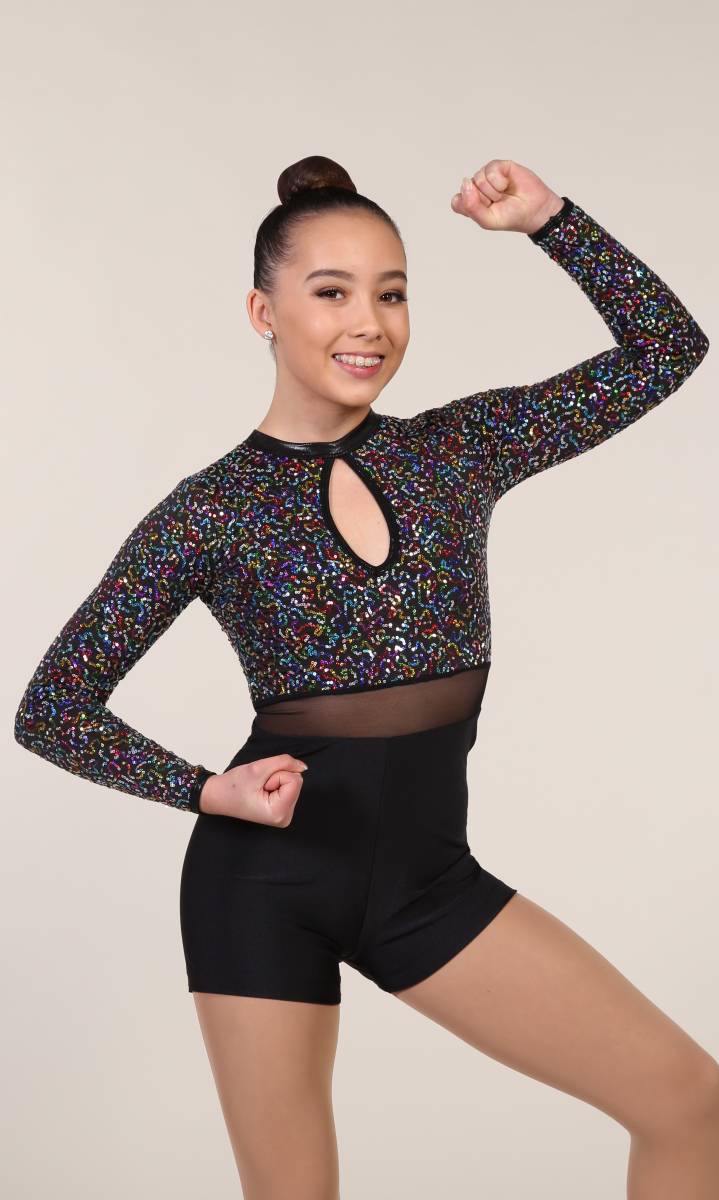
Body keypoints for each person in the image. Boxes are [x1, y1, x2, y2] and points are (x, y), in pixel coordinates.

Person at [14, 154, 716, 1199]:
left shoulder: (458, 450)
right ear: (263, 311)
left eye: (391, 294)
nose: (369, 324)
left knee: (688, 1102)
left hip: (428, 886)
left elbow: (665, 349)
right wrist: (205, 789)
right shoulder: (209, 511)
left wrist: (550, 221)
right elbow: (52, 708)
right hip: (263, 887)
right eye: (332, 292)